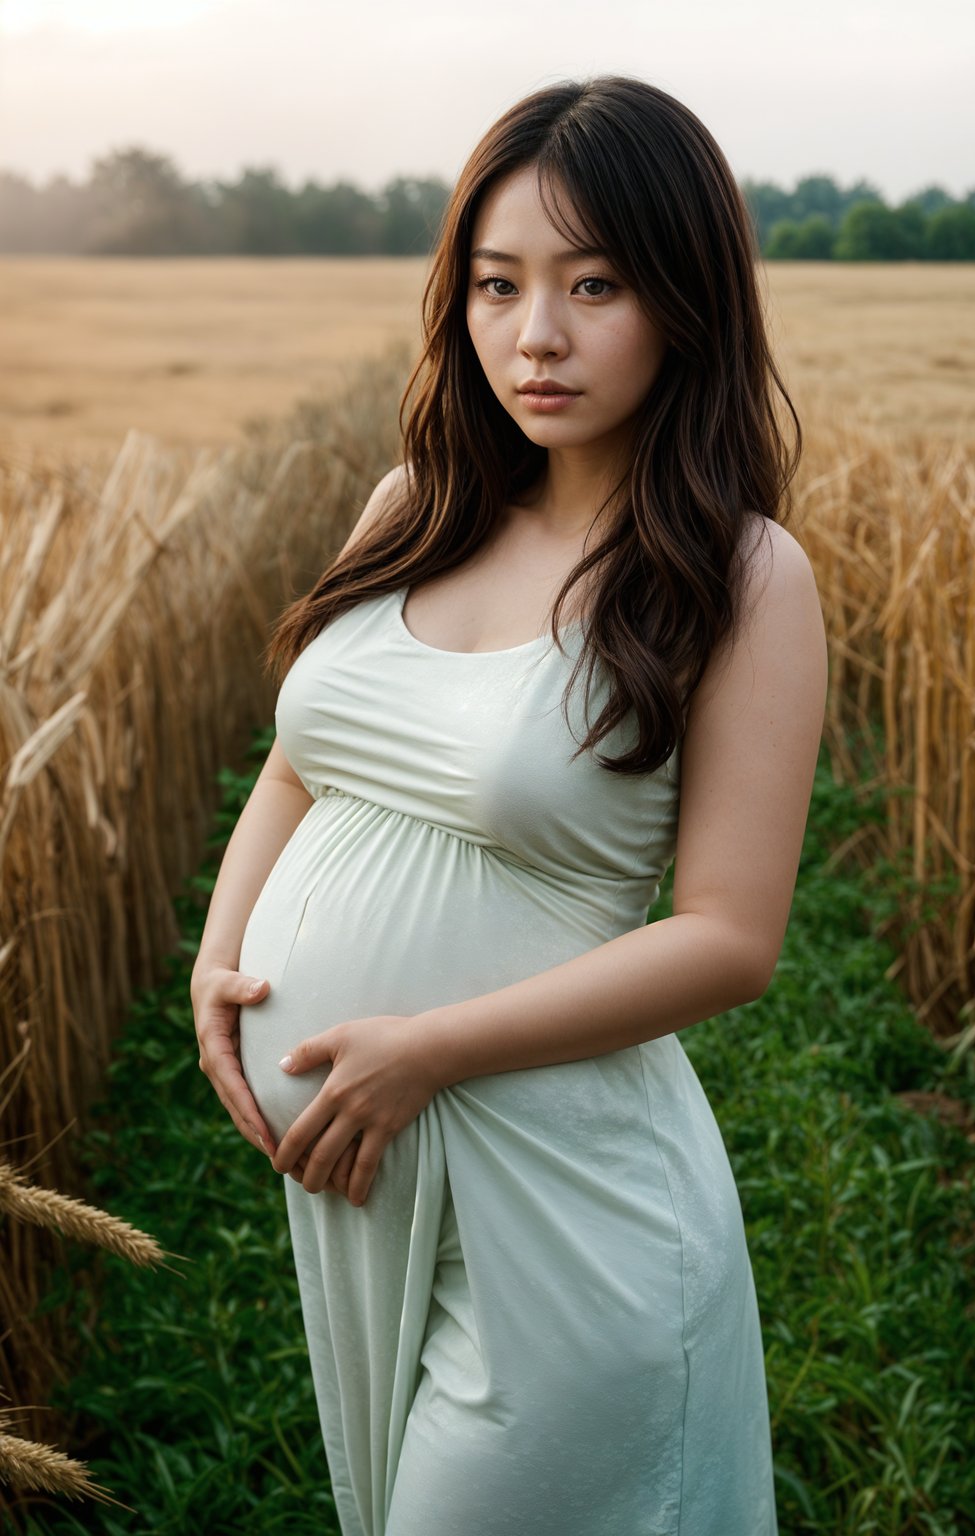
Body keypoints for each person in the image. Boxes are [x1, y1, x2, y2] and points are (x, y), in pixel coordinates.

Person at [191, 73, 827, 1536]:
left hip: (565, 1203)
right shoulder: (412, 503)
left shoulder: (737, 576)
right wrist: (220, 968)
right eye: (497, 284)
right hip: (362, 1176)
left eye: (592, 283)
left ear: (684, 298)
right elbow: (303, 762)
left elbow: (732, 941)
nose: (534, 334)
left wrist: (428, 1048)